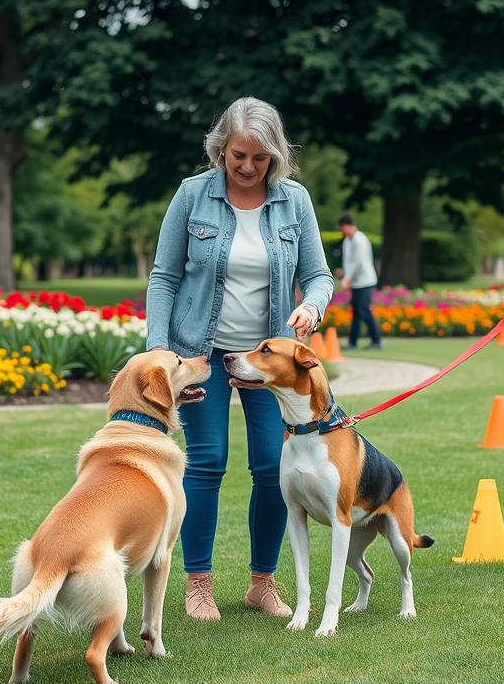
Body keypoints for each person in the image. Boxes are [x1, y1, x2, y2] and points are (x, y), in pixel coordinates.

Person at [146, 96, 335, 620]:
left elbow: (319, 275)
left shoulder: (293, 202)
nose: (249, 168)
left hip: (268, 361)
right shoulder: (192, 196)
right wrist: (158, 348)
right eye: (238, 157)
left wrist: (312, 306)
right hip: (199, 353)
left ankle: (262, 583)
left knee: (272, 468)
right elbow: (165, 276)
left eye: (260, 158)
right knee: (206, 463)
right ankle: (198, 584)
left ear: (275, 155)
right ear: (220, 151)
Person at [338, 213, 382, 349]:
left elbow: (358, 262)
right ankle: (353, 342)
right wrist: (345, 275)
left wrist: (347, 280)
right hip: (355, 282)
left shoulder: (360, 239)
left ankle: (377, 340)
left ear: (348, 226)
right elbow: (349, 262)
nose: (341, 231)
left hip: (365, 282)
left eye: (342, 228)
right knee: (356, 312)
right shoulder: (347, 241)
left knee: (364, 311)